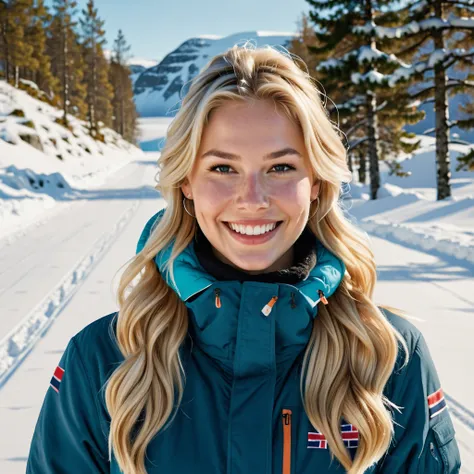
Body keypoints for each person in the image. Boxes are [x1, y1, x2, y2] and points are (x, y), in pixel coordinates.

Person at [26, 44, 461, 474]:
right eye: (222, 168)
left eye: (281, 167)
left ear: (315, 182)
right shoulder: (103, 361)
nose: (252, 200)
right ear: (186, 183)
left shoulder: (388, 357)